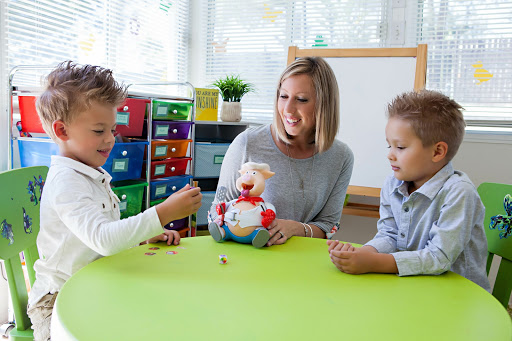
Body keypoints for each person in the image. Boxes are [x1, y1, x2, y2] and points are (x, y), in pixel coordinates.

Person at [27, 61, 202, 340]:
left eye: (112, 129)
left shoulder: (91, 171)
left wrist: (142, 236)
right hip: (57, 300)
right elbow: (103, 240)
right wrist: (162, 213)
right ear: (62, 131)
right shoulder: (66, 181)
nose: (110, 140)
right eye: (99, 131)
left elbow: (104, 232)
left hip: (94, 283)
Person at [328, 90, 490, 291]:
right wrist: (364, 253)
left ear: (437, 151)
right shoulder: (392, 184)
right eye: (389, 146)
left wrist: (373, 263)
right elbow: (389, 234)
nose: (390, 155)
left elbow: (438, 257)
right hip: (415, 285)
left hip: (460, 296)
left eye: (401, 147)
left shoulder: (459, 193)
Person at [209, 57, 354, 246]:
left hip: (301, 261)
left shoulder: (341, 157)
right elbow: (217, 208)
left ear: (324, 104)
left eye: (301, 99)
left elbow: (328, 226)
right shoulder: (247, 143)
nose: (287, 109)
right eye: (283, 96)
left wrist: (295, 228)